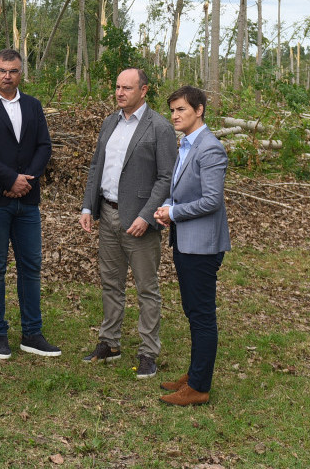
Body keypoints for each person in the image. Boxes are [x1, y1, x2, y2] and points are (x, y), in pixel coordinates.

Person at [79, 68, 176, 379]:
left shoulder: (159, 127)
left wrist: (147, 216)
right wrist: (87, 205)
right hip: (107, 214)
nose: (120, 93)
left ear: (144, 90)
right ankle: (110, 342)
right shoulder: (110, 122)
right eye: (117, 87)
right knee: (111, 282)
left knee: (147, 289)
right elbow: (97, 165)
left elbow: (166, 178)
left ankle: (148, 352)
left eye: (127, 88)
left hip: (139, 221)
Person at [0, 48, 60, 360]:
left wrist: (25, 181)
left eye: (13, 71)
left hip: (27, 200)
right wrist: (9, 179)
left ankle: (32, 333)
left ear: (21, 73)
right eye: (2, 70)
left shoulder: (32, 106)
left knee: (31, 265)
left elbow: (44, 145)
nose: (8, 76)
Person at [153, 85, 230, 406]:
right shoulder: (186, 145)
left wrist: (175, 212)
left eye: (181, 109)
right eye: (172, 110)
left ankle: (199, 387)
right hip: (186, 240)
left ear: (199, 110)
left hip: (202, 246)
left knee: (201, 314)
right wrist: (168, 208)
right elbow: (184, 190)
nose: (174, 115)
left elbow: (211, 200)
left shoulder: (210, 149)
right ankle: (195, 373)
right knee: (192, 310)